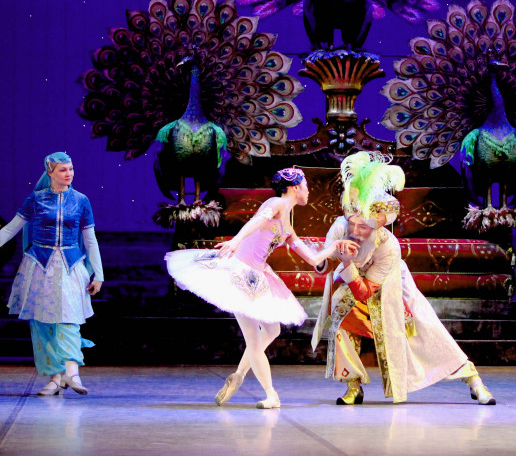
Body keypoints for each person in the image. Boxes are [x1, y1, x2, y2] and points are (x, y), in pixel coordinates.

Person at [311, 152, 496, 405]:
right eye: (352, 223)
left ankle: (472, 378)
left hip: (390, 291)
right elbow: (322, 263)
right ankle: (352, 385)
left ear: (378, 224)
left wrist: (346, 263)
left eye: (362, 227)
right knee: (341, 318)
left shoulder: (387, 246)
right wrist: (325, 257)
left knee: (427, 336)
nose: (355, 231)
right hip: (352, 288)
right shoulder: (341, 227)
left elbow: (366, 290)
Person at [165, 167, 357, 409]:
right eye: (306, 186)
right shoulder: (277, 203)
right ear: (295, 187)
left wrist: (335, 246)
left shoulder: (288, 224)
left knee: (272, 330)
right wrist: (235, 241)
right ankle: (271, 395)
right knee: (255, 341)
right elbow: (257, 221)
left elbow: (312, 259)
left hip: (257, 274)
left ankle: (238, 376)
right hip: (239, 272)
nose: (308, 191)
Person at [0, 152, 104, 396]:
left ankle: (72, 372)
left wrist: (98, 274)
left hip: (70, 266)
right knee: (42, 322)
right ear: (50, 172)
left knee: (69, 317)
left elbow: (90, 240)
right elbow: (11, 229)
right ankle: (55, 378)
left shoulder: (81, 200)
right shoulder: (36, 199)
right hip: (39, 266)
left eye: (71, 168)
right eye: (63, 170)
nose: (69, 173)